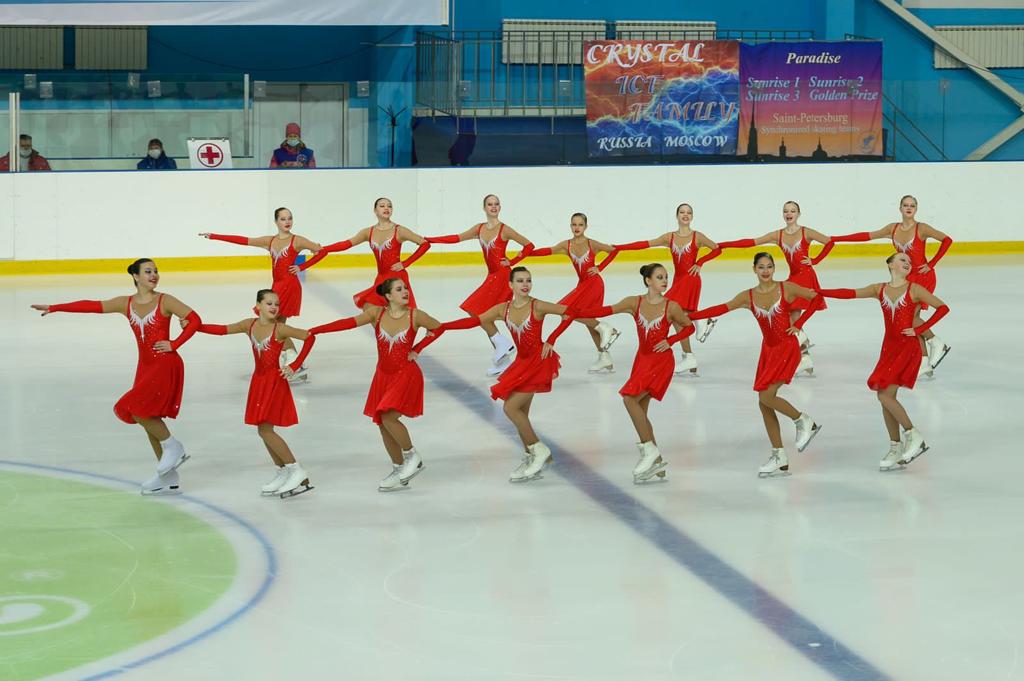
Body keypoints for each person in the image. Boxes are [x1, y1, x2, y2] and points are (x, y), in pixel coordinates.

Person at [30, 258, 200, 495]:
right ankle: (168, 476)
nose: (154, 275)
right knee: (147, 418)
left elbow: (195, 319)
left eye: (156, 271)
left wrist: (175, 343)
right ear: (136, 276)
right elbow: (92, 306)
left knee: (136, 409)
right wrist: (56, 306)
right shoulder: (125, 303)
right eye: (148, 271)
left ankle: (173, 446)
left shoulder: (165, 300)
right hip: (145, 366)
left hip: (165, 362)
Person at [424, 267, 573, 482]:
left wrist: (552, 339)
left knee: (510, 407)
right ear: (510, 285)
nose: (525, 284)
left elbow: (569, 312)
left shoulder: (537, 305)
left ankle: (539, 450)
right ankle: (531, 455)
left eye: (528, 280)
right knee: (520, 411)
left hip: (538, 362)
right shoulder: (502, 309)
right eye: (520, 280)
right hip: (522, 362)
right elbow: (476, 321)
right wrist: (443, 326)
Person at [687, 253, 824, 477]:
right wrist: (694, 315)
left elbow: (816, 298)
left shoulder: (786, 288)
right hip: (768, 351)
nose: (766, 270)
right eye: (761, 267)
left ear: (773, 268)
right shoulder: (747, 296)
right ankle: (779, 455)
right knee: (764, 403)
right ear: (754, 269)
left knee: (767, 397)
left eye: (769, 266)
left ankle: (804, 421)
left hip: (786, 348)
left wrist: (798, 323)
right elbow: (722, 308)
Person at [817, 253, 949, 470]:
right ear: (890, 264)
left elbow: (943, 307)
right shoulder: (879, 289)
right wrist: (820, 292)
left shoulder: (914, 289)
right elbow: (849, 293)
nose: (907, 263)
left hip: (908, 347)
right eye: (902, 260)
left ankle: (912, 435)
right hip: (889, 347)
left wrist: (919, 329)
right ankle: (896, 447)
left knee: (883, 395)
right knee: (887, 395)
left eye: (909, 261)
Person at [308, 278, 442, 492]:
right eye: (399, 289)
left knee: (389, 416)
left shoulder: (416, 315)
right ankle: (399, 468)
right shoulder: (376, 314)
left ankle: (412, 456)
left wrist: (418, 348)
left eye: (406, 288)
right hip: (383, 375)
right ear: (388, 296)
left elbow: (437, 328)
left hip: (405, 373)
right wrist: (316, 330)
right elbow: (347, 323)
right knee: (381, 421)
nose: (406, 292)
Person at [565, 264, 695, 483]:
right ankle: (657, 463)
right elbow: (604, 311)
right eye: (659, 277)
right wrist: (575, 313)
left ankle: (650, 451)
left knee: (629, 400)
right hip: (642, 360)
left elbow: (689, 327)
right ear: (648, 281)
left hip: (660, 361)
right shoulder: (634, 302)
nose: (665, 281)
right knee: (640, 413)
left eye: (666, 277)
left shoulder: (671, 306)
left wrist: (670, 340)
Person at [196, 289, 316, 498]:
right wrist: (197, 327)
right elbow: (222, 330)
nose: (274, 307)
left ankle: (296, 469)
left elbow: (309, 337)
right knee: (262, 429)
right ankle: (283, 471)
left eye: (276, 304)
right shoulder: (249, 325)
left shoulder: (280, 329)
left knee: (266, 430)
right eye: (269, 303)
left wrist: (295, 365)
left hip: (274, 382)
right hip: (259, 381)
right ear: (258, 305)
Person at [832, 195, 953, 377]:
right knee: (910, 319)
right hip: (906, 277)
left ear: (916, 209)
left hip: (923, 277)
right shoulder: (893, 228)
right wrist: (837, 238)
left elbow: (947, 240)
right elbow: (867, 236)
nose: (909, 208)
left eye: (912, 205)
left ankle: (935, 342)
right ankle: (924, 361)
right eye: (906, 205)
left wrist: (932, 263)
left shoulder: (922, 228)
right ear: (900, 208)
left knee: (911, 318)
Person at [200, 207, 321, 380]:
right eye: (283, 219)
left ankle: (295, 364)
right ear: (276, 222)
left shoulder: (297, 240)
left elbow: (321, 251)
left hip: (289, 287)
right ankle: (294, 362)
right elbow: (244, 240)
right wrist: (215, 236)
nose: (287, 222)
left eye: (290, 218)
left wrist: (302, 267)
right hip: (277, 286)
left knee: (276, 326)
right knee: (277, 327)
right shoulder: (269, 241)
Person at [718, 201, 834, 376]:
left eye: (793, 211)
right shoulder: (777, 235)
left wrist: (815, 260)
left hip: (805, 277)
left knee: (791, 319)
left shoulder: (806, 232)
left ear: (798, 213)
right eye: (786, 211)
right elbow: (752, 242)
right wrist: (725, 245)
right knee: (789, 319)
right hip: (794, 277)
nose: (789, 214)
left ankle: (803, 356)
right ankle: (804, 357)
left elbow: (830, 243)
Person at [424, 194, 534, 375]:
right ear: (484, 208)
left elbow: (529, 246)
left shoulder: (504, 229)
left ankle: (504, 347)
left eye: (496, 204)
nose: (493, 207)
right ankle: (503, 353)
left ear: (500, 207)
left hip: (501, 276)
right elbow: (456, 238)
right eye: (490, 204)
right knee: (481, 313)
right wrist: (432, 239)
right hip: (492, 276)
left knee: (478, 311)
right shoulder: (479, 228)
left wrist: (513, 260)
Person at [524, 212, 647, 373]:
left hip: (594, 284)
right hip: (582, 285)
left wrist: (599, 268)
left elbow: (614, 251)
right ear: (570, 226)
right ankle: (604, 357)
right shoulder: (565, 245)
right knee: (587, 321)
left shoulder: (592, 244)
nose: (577, 227)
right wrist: (525, 253)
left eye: (580, 225)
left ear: (586, 227)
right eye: (574, 224)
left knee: (565, 309)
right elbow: (546, 251)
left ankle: (605, 327)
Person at [293, 197, 430, 308]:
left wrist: (406, 263)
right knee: (370, 307)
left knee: (403, 313)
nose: (386, 208)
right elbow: (346, 244)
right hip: (381, 278)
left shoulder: (399, 230)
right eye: (382, 206)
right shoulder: (368, 232)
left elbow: (424, 244)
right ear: (375, 211)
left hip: (397, 277)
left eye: (389, 206)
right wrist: (322, 249)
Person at [645, 203, 723, 375]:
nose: (685, 215)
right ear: (677, 216)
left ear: (692, 216)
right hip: (679, 280)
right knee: (677, 318)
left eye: (689, 212)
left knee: (671, 311)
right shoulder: (669, 237)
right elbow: (646, 244)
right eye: (682, 212)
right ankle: (690, 354)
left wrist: (699, 262)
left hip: (691, 278)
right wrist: (620, 247)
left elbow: (717, 250)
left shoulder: (697, 236)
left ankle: (695, 336)